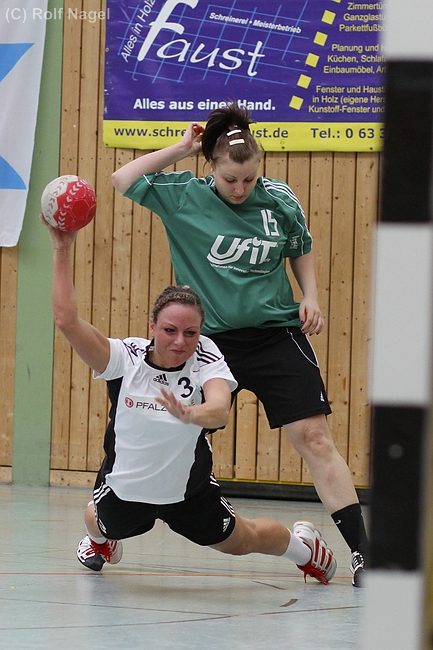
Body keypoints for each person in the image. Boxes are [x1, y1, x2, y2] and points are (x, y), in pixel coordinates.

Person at [111, 101, 368, 588]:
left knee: (315, 439)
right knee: (161, 432)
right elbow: (122, 179)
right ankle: (107, 528)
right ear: (212, 166)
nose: (240, 188)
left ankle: (362, 553)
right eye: (230, 179)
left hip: (275, 337)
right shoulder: (183, 195)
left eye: (249, 179)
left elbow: (300, 247)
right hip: (209, 343)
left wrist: (311, 296)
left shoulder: (278, 199)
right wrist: (181, 149)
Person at [42, 216, 337, 585]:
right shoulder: (124, 358)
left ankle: (306, 549)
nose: (180, 341)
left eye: (190, 332)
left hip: (189, 492)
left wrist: (190, 413)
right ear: (152, 328)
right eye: (170, 330)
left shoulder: (206, 357)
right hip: (125, 489)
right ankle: (101, 543)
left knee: (244, 541)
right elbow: (67, 321)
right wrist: (62, 248)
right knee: (97, 520)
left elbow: (220, 409)